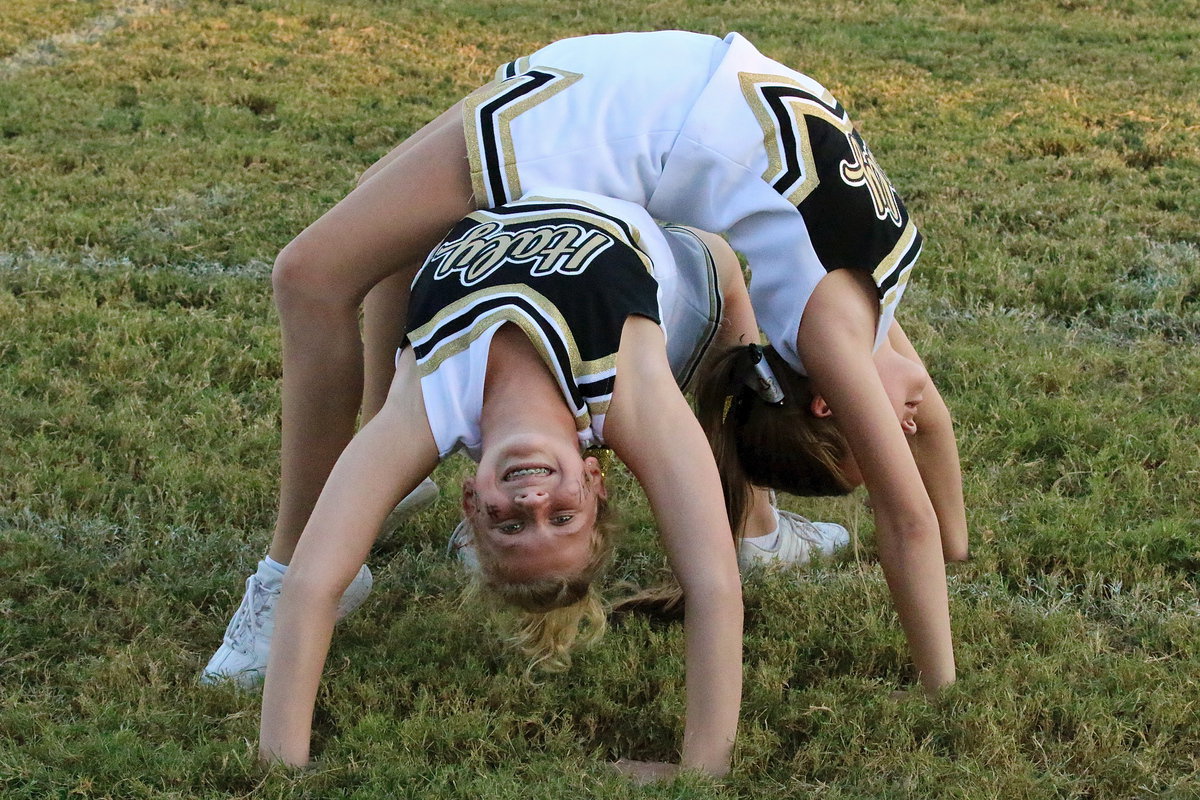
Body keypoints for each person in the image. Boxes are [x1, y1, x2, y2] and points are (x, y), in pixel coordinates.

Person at [209, 27, 963, 722]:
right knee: (316, 274)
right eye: (888, 428)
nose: (904, 419)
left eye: (883, 430)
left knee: (362, 248)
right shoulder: (840, 331)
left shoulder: (862, 302)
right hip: (610, 108)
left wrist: (954, 545)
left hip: (627, 88)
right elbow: (911, 509)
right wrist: (943, 684)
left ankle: (334, 523)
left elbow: (926, 421)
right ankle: (299, 560)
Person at [258, 189, 770, 777]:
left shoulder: (429, 405)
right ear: (595, 480)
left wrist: (280, 768)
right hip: (664, 229)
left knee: (369, 245)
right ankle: (762, 525)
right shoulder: (628, 394)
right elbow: (713, 585)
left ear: (471, 502)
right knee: (722, 266)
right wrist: (703, 771)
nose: (532, 500)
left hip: (508, 181)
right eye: (562, 517)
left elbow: (311, 582)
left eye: (510, 523)